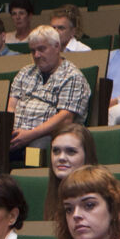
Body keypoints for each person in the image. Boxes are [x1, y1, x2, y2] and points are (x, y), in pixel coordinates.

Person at [8, 26, 92, 158]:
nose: (36, 55)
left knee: (35, 152)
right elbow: (11, 105)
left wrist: (30, 134)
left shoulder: (72, 76)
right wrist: (11, 130)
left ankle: (32, 177)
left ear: (57, 47)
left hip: (47, 137)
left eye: (41, 49)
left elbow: (65, 119)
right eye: (33, 50)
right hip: (16, 134)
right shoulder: (25, 72)